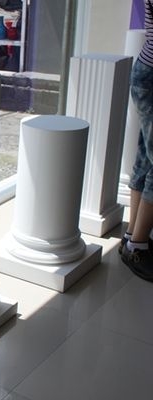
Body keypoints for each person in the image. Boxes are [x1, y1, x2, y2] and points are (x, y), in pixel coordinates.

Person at [120, 0, 153, 281]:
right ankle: (137, 246)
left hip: (147, 71)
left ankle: (133, 237)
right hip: (150, 75)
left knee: (145, 157)